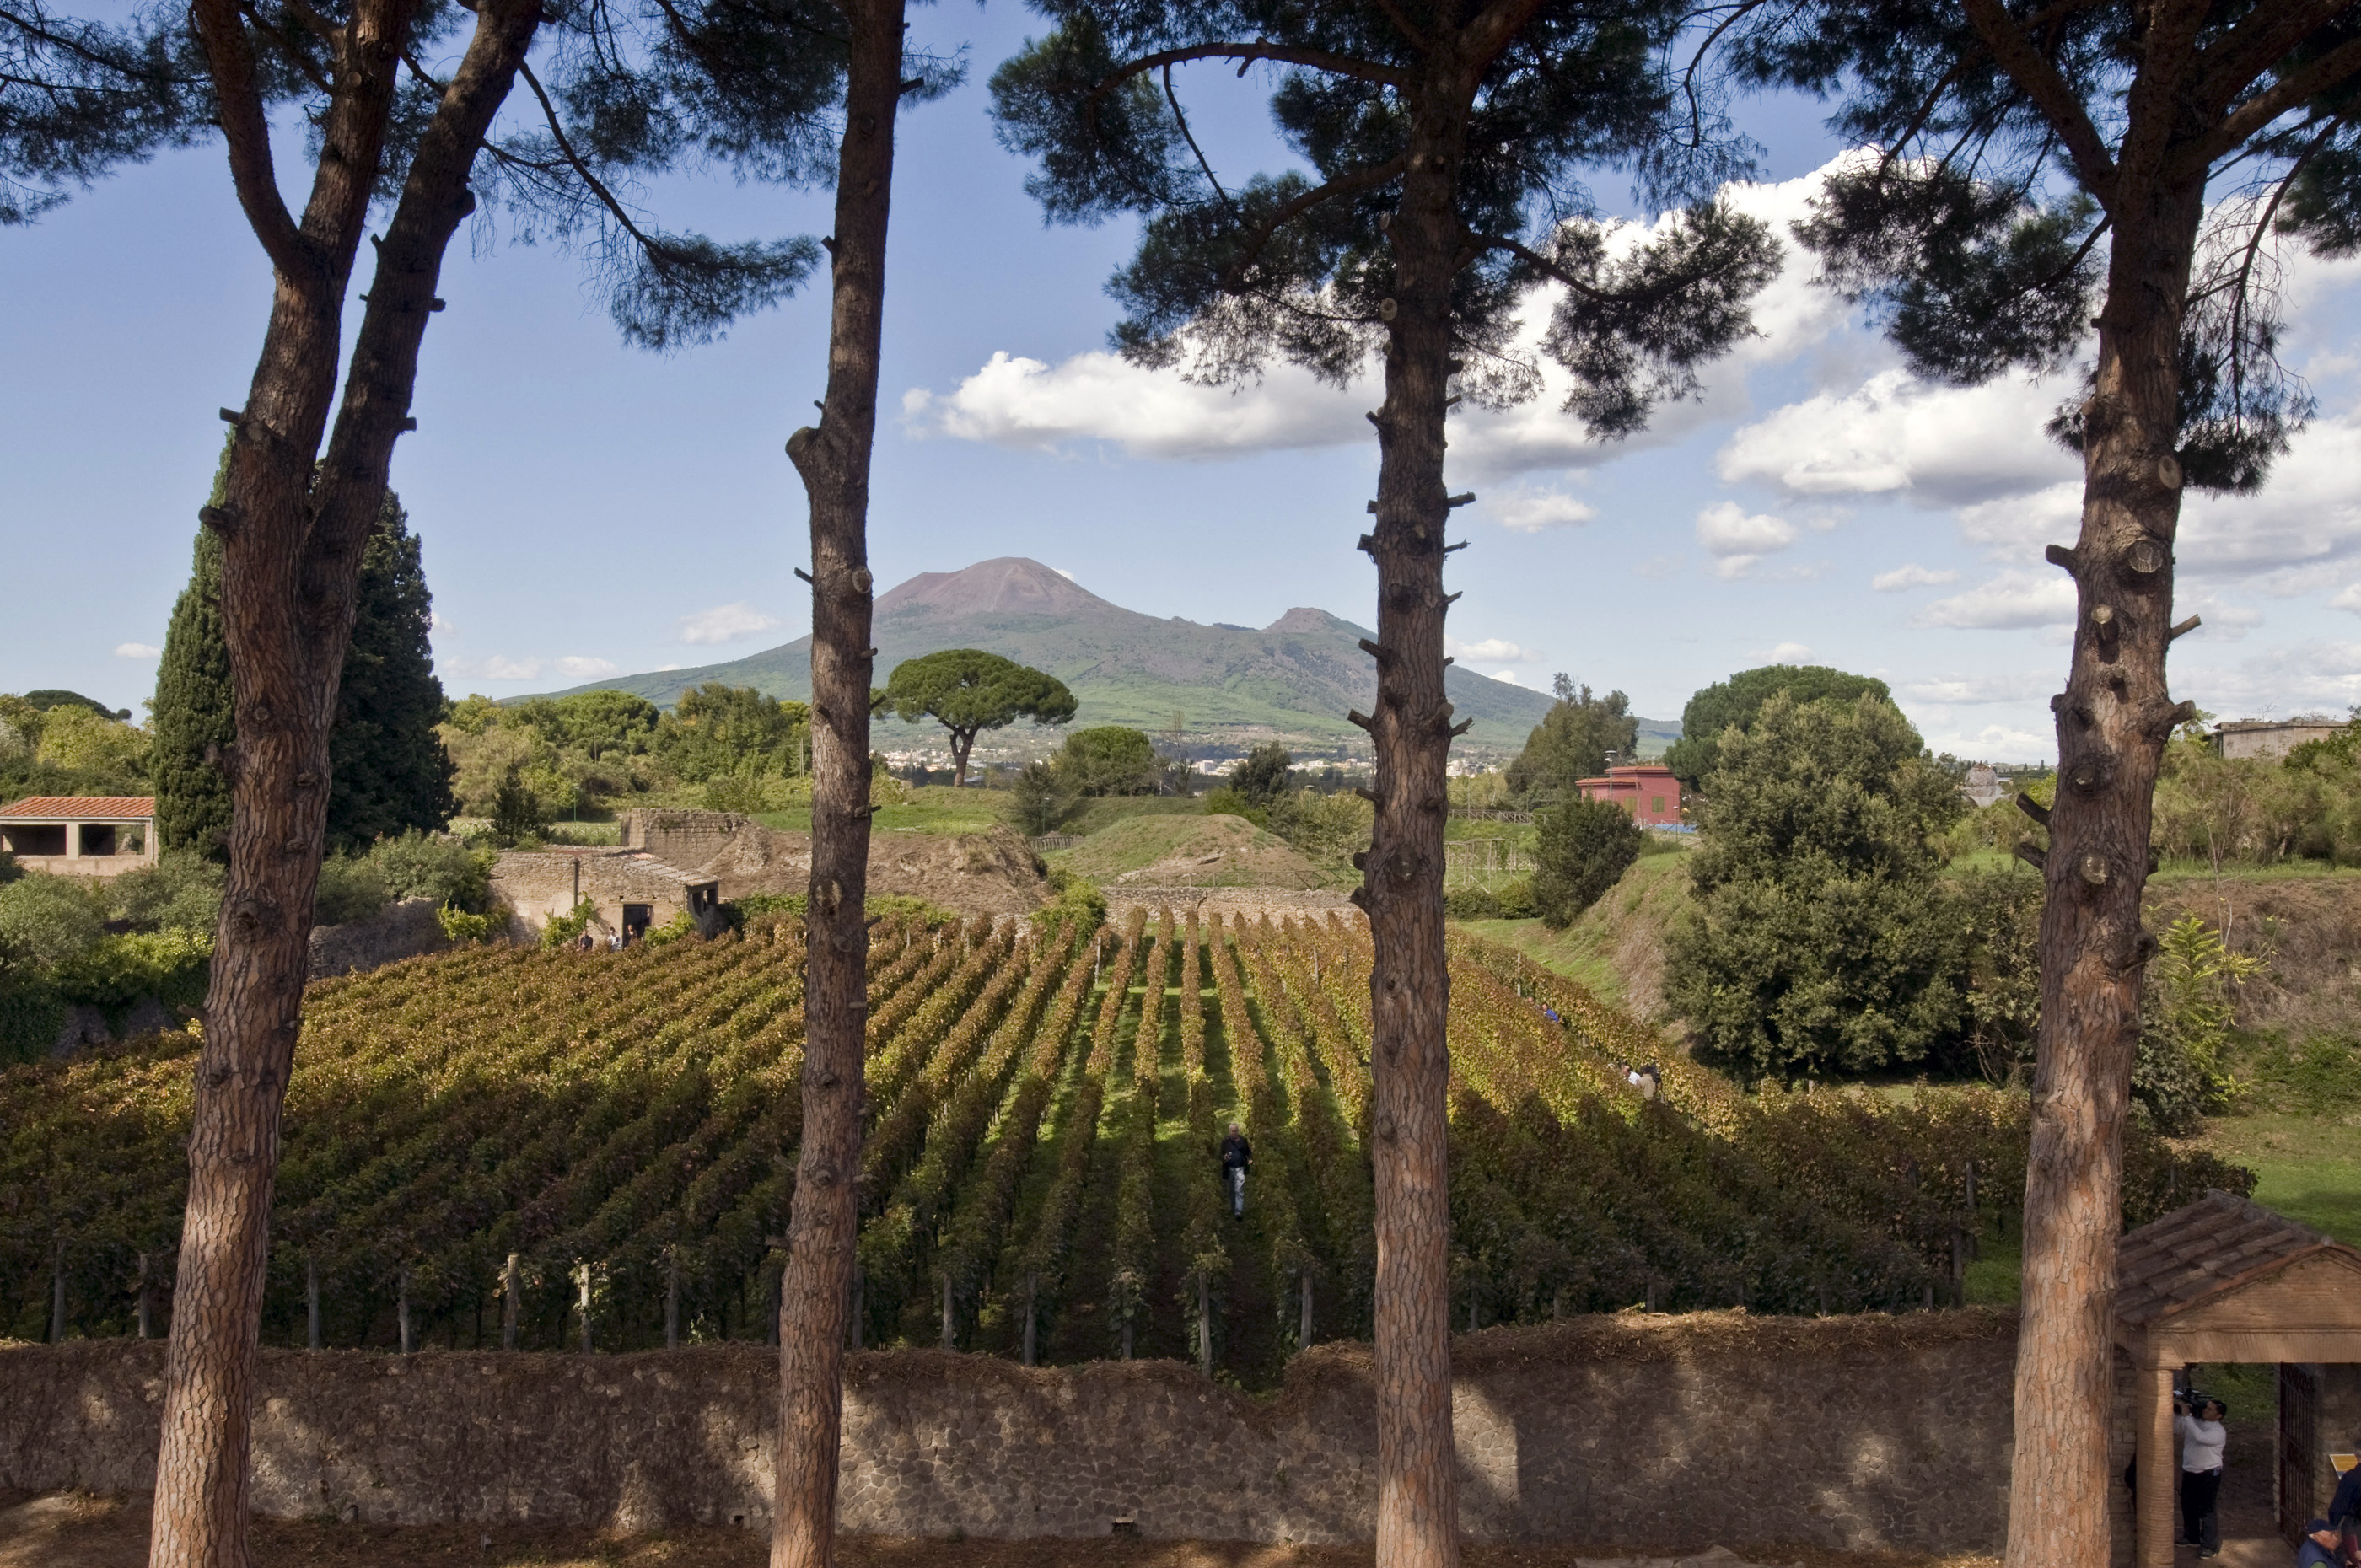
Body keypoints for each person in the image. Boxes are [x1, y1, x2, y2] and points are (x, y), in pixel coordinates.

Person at [2177, 1393, 2228, 1558]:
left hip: (2208, 1474)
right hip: (2191, 1471)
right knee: (2188, 1505)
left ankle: (2209, 1546)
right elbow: (2179, 1427)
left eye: (2210, 1409)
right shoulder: (2196, 1422)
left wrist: (2187, 1416)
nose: (2206, 1410)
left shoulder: (2218, 1431)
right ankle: (2191, 1536)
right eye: (2206, 1407)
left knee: (2207, 1509)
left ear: (2218, 1416)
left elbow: (2200, 1437)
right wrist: (2178, 1411)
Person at [1218, 1122, 1252, 1221]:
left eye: (1236, 1131)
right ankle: (1233, 1207)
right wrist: (1224, 1157)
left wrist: (1250, 1159)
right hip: (1229, 1169)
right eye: (1232, 1131)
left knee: (1239, 1190)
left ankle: (1238, 1211)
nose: (1234, 1133)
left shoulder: (1243, 1141)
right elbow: (1220, 1155)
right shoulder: (1225, 1142)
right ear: (1230, 1131)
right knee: (1231, 1191)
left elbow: (1248, 1152)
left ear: (1238, 1131)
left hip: (1240, 1168)